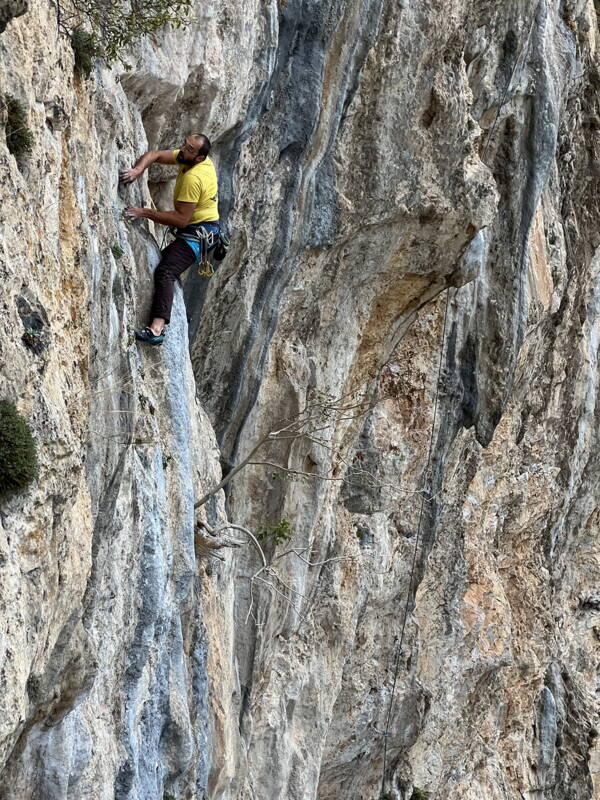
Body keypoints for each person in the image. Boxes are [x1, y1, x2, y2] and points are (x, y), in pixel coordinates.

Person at [120, 133, 219, 345]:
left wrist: (144, 212)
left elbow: (181, 220)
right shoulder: (191, 158)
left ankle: (157, 330)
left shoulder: (194, 178)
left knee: (166, 270)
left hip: (200, 234)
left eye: (190, 149)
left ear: (199, 158)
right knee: (163, 264)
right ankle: (170, 310)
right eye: (185, 144)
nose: (183, 149)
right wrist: (138, 170)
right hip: (198, 228)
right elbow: (155, 155)